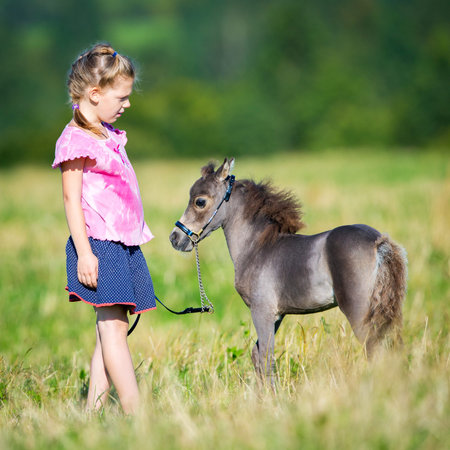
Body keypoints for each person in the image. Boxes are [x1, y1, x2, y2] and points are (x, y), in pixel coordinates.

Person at [52, 43, 156, 414]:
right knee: (112, 328)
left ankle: (92, 414)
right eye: (122, 96)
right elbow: (70, 200)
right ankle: (136, 415)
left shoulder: (107, 133)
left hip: (123, 243)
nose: (127, 104)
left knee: (110, 329)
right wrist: (84, 253)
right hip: (99, 245)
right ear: (95, 94)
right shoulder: (75, 141)